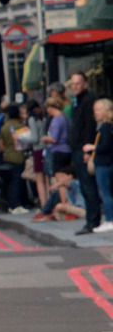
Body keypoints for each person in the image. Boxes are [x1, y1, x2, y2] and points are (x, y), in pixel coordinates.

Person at [67, 70, 101, 235]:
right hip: (77, 149)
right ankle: (91, 220)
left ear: (85, 84)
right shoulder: (77, 101)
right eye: (72, 84)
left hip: (84, 150)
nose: (74, 86)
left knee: (89, 186)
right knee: (85, 186)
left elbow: (89, 127)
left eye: (78, 83)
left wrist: (87, 150)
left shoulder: (88, 101)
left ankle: (93, 222)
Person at [82, 98, 113, 232]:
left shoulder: (106, 127)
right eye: (95, 110)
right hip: (108, 163)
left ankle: (110, 220)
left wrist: (92, 147)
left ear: (106, 111)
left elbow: (106, 146)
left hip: (103, 164)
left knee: (105, 193)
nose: (96, 112)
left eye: (99, 109)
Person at [0, 104, 28, 213]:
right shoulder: (22, 127)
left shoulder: (4, 127)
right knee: (17, 182)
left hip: (7, 156)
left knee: (10, 182)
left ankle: (11, 203)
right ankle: (16, 205)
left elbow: (0, 145)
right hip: (19, 156)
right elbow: (26, 143)